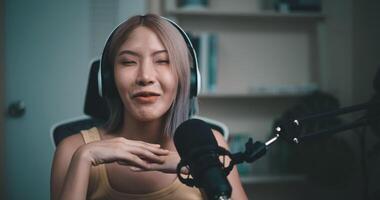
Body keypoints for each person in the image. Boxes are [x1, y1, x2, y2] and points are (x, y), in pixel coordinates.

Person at [51, 14, 248, 200]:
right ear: (108, 80)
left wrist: (202, 169)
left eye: (163, 61)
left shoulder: (213, 145)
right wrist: (85, 157)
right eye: (128, 62)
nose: (145, 77)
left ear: (188, 79)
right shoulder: (72, 150)